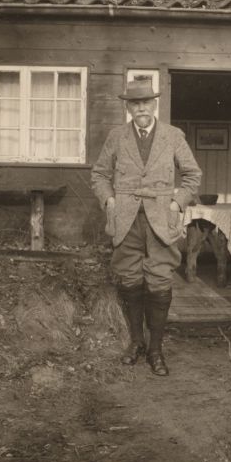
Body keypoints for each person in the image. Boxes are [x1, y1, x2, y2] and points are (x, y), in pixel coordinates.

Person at [90, 79, 202, 376]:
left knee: (160, 281)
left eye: (146, 103)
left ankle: (156, 349)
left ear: (154, 105)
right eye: (135, 104)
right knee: (129, 279)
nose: (141, 108)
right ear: (128, 107)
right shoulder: (117, 136)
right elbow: (99, 174)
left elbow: (192, 174)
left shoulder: (172, 136)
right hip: (125, 221)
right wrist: (109, 201)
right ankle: (136, 342)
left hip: (161, 220)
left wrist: (177, 203)